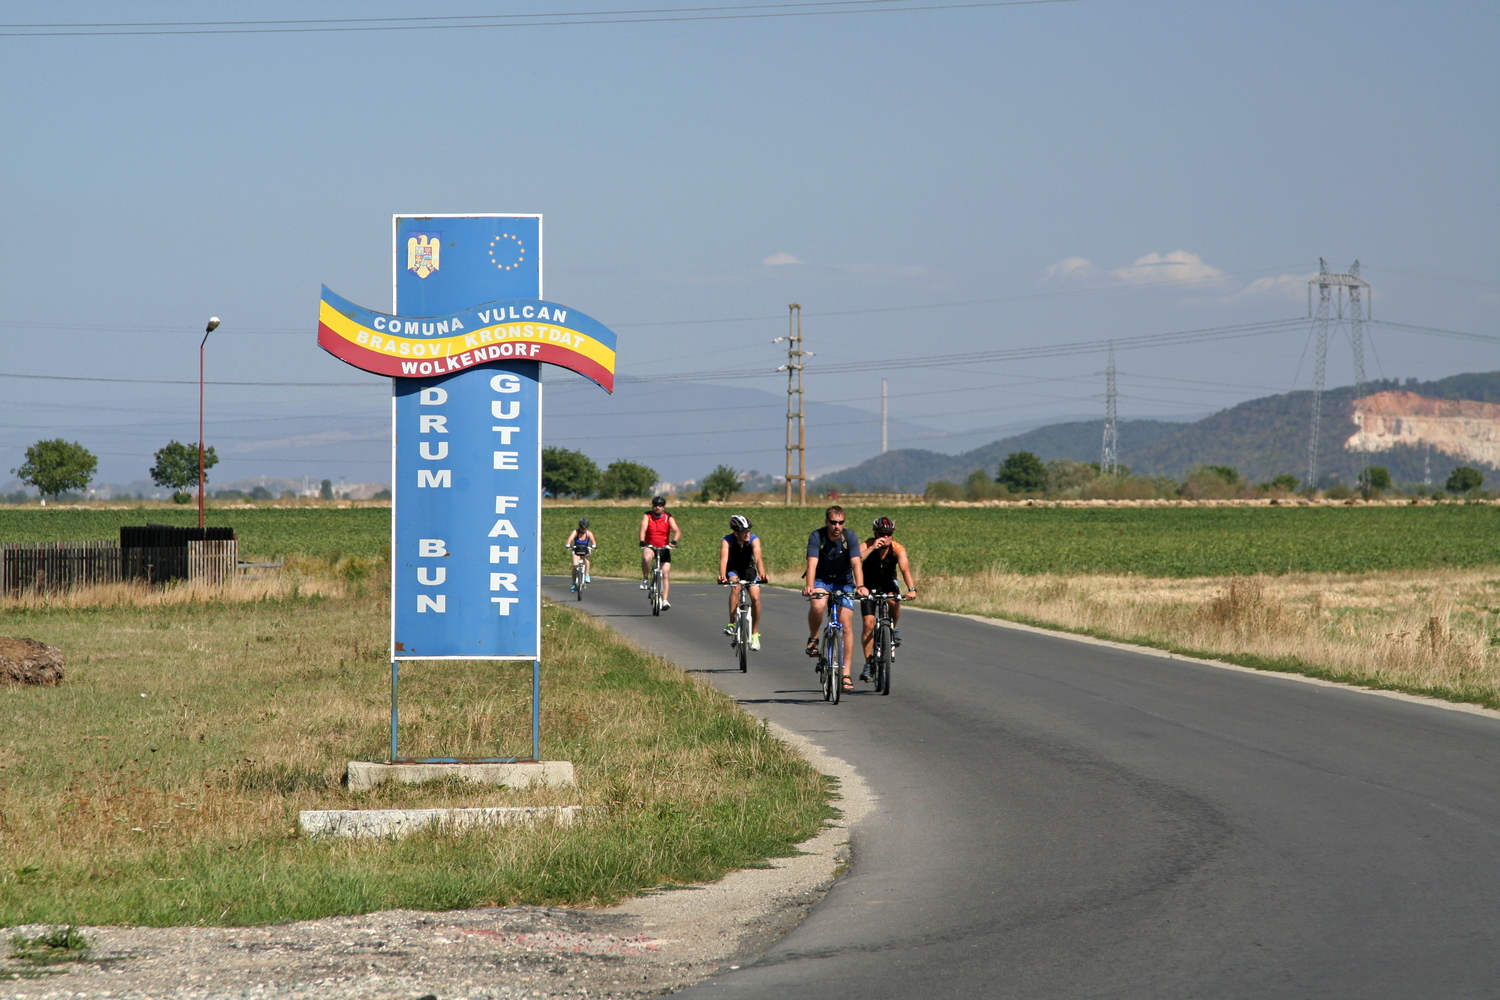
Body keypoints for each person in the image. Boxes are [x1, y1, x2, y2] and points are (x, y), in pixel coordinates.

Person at [802, 505, 867, 693]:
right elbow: (812, 564)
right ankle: (814, 638)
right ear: (826, 522)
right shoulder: (817, 536)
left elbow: (856, 563)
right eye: (833, 522)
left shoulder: (850, 537)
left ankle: (846, 674)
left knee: (846, 624)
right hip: (822, 580)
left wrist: (860, 585)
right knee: (818, 605)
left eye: (840, 522)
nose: (837, 526)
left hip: (844, 582)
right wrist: (810, 586)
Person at [860, 515, 917, 681]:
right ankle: (868, 664)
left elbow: (905, 569)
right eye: (881, 534)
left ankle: (893, 628)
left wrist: (912, 589)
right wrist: (872, 548)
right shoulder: (866, 545)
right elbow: (855, 560)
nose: (885, 537)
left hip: (888, 583)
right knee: (868, 624)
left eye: (889, 534)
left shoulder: (897, 548)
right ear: (875, 533)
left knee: (894, 600)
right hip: (868, 585)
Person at [719, 514, 770, 651]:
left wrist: (762, 573)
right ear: (736, 533)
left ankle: (755, 634)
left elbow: (758, 559)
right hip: (734, 570)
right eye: (743, 532)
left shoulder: (754, 539)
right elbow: (723, 560)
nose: (747, 534)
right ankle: (732, 624)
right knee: (735, 587)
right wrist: (722, 575)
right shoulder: (727, 541)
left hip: (749, 571)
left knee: (756, 598)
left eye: (748, 530)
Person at [639, 495, 681, 609]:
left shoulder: (668, 517)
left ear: (663, 507)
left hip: (664, 547)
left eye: (660, 505)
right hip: (650, 545)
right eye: (655, 505)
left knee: (665, 573)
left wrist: (674, 541)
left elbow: (677, 531)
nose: (657, 507)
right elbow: (643, 529)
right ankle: (645, 579)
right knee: (646, 558)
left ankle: (665, 600)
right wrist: (642, 541)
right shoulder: (648, 516)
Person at [563, 518, 597, 591]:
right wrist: (568, 544)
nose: (583, 530)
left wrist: (594, 546)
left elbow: (593, 541)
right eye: (582, 528)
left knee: (586, 559)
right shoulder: (575, 532)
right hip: (576, 549)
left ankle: (587, 574)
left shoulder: (589, 533)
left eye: (584, 528)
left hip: (585, 550)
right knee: (575, 566)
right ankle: (574, 583)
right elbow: (570, 539)